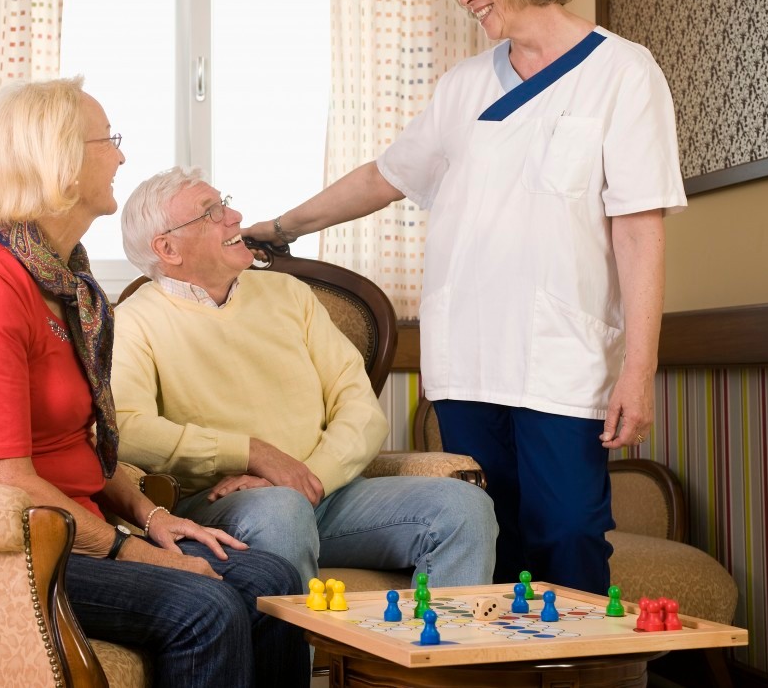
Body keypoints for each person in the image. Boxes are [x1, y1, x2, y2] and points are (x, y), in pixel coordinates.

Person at [245, 0, 688, 595]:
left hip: (559, 358)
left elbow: (639, 229)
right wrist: (283, 226)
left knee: (569, 531)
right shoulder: (462, 87)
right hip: (468, 359)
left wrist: (639, 368)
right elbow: (380, 177)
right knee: (488, 540)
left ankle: (581, 675)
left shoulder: (623, 74)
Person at [0, 78, 309, 688]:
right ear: (62, 162)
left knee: (272, 584)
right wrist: (132, 550)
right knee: (204, 609)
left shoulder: (69, 286)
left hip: (69, 522)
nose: (122, 156)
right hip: (0, 541)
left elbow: (84, 450)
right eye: (109, 140)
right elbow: (6, 481)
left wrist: (153, 517)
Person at [112, 166, 498, 590]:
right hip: (227, 506)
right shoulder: (133, 321)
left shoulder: (289, 293)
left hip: (328, 492)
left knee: (464, 507)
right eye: (211, 212)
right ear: (167, 248)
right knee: (280, 511)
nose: (235, 215)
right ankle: (298, 657)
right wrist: (251, 453)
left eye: (225, 202)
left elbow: (361, 410)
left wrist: (306, 478)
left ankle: (432, 654)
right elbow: (127, 429)